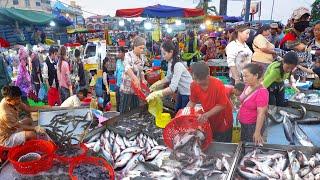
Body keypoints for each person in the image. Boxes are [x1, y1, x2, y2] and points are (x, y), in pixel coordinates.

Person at [187, 62, 233, 142]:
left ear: (208, 76)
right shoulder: (193, 85)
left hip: (223, 119)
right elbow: (192, 102)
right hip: (209, 118)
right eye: (194, 79)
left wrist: (206, 115)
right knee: (210, 140)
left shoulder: (218, 84)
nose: (197, 82)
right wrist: (186, 113)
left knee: (222, 141)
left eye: (200, 80)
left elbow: (222, 105)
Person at [147, 41, 193, 112]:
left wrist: (157, 93)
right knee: (177, 110)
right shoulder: (170, 62)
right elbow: (168, 77)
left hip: (188, 93)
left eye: (164, 54)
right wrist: (157, 84)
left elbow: (172, 88)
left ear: (171, 52)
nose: (163, 56)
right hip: (181, 91)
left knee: (184, 113)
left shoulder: (178, 65)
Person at [238, 63, 269, 144]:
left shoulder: (262, 92)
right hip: (244, 124)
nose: (244, 79)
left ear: (255, 75)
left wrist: (257, 132)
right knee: (244, 144)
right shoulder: (247, 85)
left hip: (253, 126)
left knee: (251, 148)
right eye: (243, 76)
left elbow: (261, 113)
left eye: (246, 76)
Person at [119, 36, 147, 114]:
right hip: (127, 88)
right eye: (140, 48)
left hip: (136, 88)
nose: (142, 50)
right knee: (124, 110)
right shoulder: (128, 55)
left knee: (135, 109)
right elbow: (127, 68)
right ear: (134, 46)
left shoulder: (142, 57)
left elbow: (141, 70)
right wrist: (134, 77)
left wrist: (143, 79)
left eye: (143, 48)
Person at [114, 47, 126, 112]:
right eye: (118, 52)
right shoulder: (118, 61)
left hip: (124, 86)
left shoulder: (127, 62)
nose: (118, 53)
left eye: (120, 52)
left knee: (123, 102)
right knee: (118, 102)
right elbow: (116, 72)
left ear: (123, 53)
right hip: (118, 85)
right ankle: (117, 114)